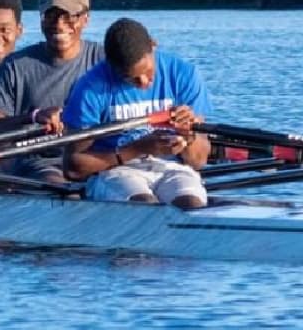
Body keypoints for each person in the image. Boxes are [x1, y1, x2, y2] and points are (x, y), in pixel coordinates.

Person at [62, 19, 214, 207]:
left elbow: (198, 161)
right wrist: (137, 149)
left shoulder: (183, 74)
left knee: (191, 204)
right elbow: (73, 168)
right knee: (144, 207)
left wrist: (188, 135)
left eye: (148, 71)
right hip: (115, 170)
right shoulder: (90, 88)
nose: (143, 82)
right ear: (111, 65)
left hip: (172, 168)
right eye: (130, 78)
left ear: (153, 45)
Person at [0, 0, 112, 169]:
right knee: (61, 186)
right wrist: (33, 117)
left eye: (68, 16)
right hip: (40, 161)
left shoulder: (108, 60)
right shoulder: (16, 66)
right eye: (50, 16)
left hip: (98, 159)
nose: (58, 24)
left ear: (86, 19)